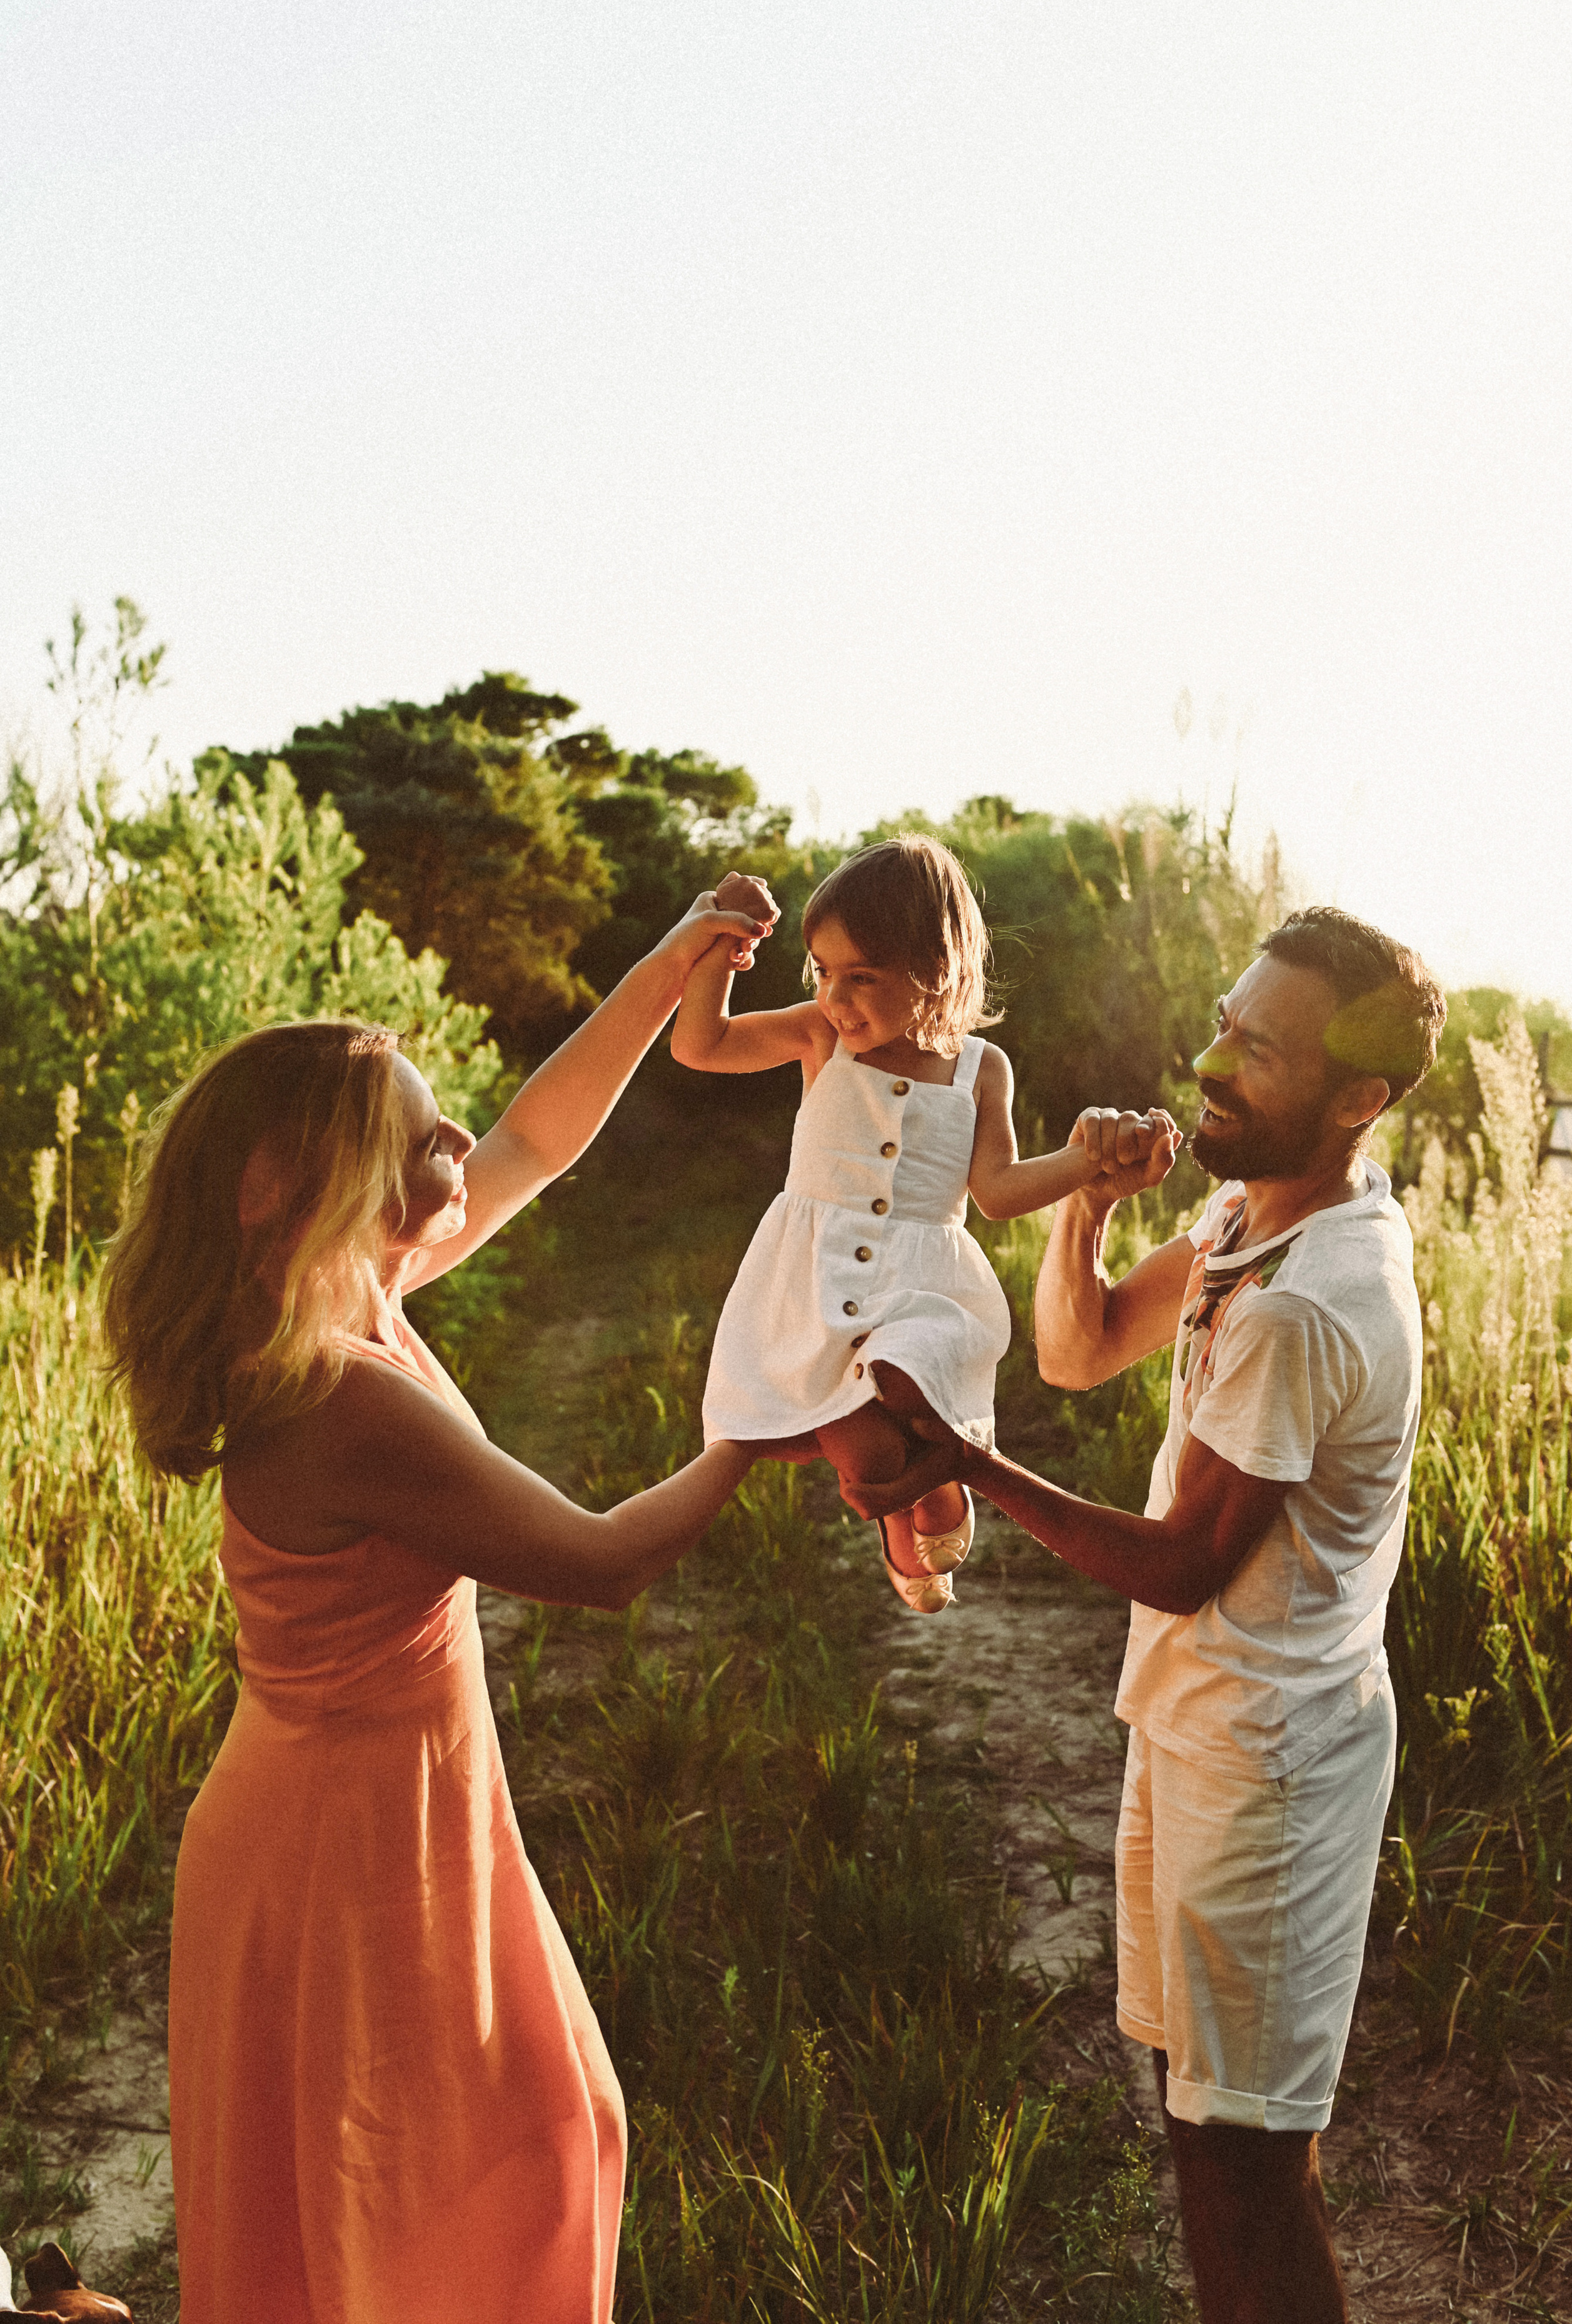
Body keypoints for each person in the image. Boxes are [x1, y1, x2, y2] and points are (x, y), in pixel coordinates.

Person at [100, 882, 786, 2324]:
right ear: (288, 1182)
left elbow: (535, 1137)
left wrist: (666, 971)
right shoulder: (337, 1394)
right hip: (346, 1847)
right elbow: (600, 1561)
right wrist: (772, 1416)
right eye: (416, 1134)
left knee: (517, 2150)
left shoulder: (338, 1291)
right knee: (453, 2188)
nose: (456, 1142)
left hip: (376, 1812)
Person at [837, 908, 1446, 2324]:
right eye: (1222, 1025)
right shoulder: (1252, 1218)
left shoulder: (1312, 1295)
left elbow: (1182, 1561)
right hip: (1192, 1727)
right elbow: (1080, 1342)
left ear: (1357, 1096)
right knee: (1196, 2131)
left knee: (1247, 2171)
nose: (1208, 1063)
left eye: (1256, 1049)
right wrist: (1081, 1204)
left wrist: (968, 1464)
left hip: (1269, 1772)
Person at [671, 833, 1162, 1611]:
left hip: (920, 1285)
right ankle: (900, 1518)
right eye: (824, 971)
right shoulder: (818, 1035)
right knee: (866, 1463)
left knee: (905, 1378)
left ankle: (937, 1492)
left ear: (934, 973)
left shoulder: (980, 1067)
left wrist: (1086, 1161)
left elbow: (996, 1191)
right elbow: (700, 1044)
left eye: (862, 977)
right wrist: (720, 940)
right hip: (816, 1277)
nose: (837, 996)